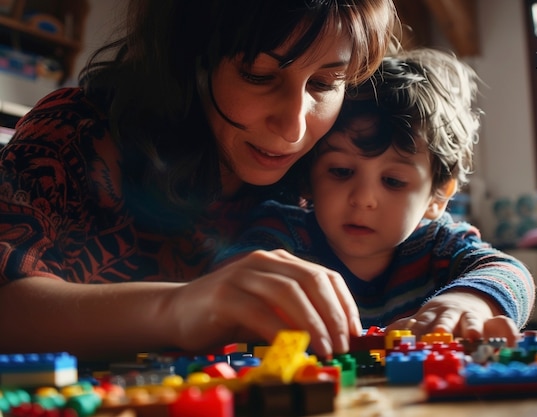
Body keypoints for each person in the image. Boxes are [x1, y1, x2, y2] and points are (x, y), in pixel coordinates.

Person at [0, 0, 399, 358]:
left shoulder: (325, 164)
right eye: (258, 75)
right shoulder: (74, 131)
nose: (294, 129)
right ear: (188, 59)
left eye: (325, 84)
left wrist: (461, 296)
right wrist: (179, 307)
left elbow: (435, 232)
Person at [214, 48, 536, 345]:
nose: (364, 199)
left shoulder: (439, 244)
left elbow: (511, 273)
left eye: (393, 181)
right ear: (309, 177)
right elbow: (231, 278)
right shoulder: (283, 232)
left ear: (437, 197)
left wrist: (470, 301)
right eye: (340, 171)